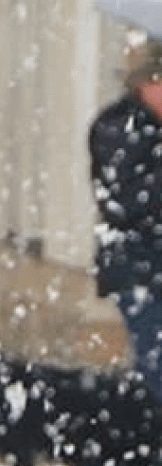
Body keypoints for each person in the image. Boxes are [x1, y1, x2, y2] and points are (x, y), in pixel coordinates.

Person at [89, 44, 162, 402]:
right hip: (138, 270)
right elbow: (126, 200)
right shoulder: (118, 127)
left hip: (151, 265)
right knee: (155, 366)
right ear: (144, 84)